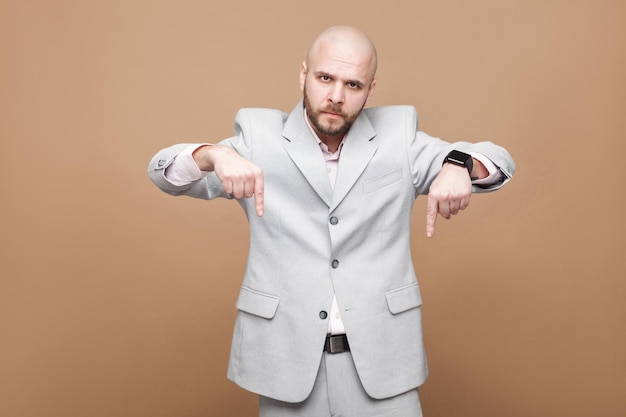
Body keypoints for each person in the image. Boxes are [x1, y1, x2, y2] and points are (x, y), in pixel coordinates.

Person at [148, 25, 515, 417]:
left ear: (370, 90)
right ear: (304, 74)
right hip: (286, 366)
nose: (336, 97)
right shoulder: (258, 137)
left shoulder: (399, 135)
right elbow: (163, 172)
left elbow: (499, 160)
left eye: (353, 85)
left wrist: (458, 165)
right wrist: (214, 155)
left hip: (383, 366)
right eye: (325, 78)